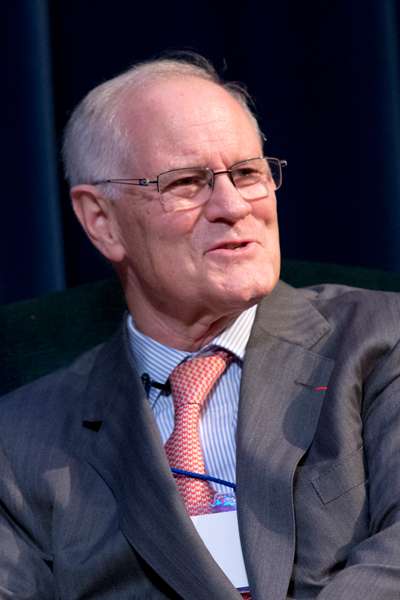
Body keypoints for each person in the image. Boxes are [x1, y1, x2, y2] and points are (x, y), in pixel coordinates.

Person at [1, 53, 400, 600]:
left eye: (247, 173)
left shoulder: (382, 341)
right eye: (187, 183)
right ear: (102, 220)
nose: (233, 206)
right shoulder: (20, 440)